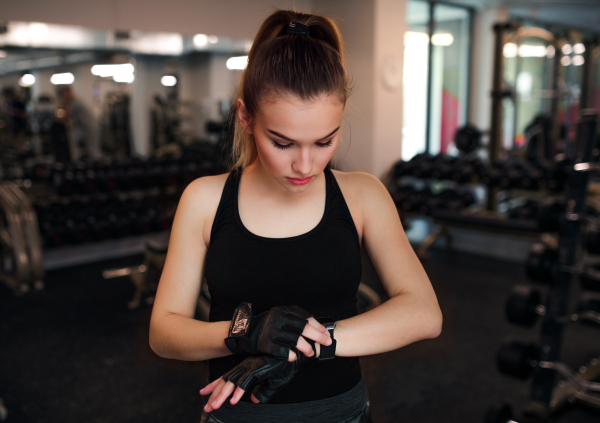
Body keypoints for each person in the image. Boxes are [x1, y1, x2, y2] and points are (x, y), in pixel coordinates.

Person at [149, 9, 442, 423]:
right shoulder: (205, 199)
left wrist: (306, 341)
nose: (306, 165)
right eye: (283, 143)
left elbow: (424, 314)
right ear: (246, 117)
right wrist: (246, 333)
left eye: (324, 141)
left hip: (341, 414)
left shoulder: (362, 195)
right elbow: (164, 333)